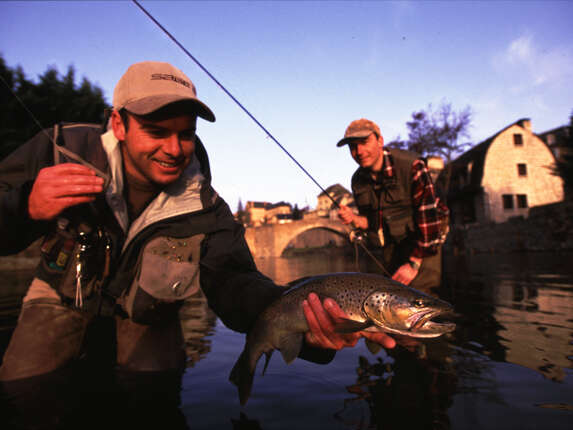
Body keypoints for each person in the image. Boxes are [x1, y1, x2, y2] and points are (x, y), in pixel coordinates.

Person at [0, 62, 394, 429]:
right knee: (24, 389)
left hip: (148, 315)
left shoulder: (205, 207)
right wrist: (24, 207)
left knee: (153, 399)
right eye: (157, 131)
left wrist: (304, 325)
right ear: (118, 124)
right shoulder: (58, 150)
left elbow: (235, 283)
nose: (174, 149)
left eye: (185, 134)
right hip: (59, 296)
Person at [336, 118, 447, 289]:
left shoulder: (413, 166)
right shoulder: (357, 181)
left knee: (421, 300)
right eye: (352, 147)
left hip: (424, 243)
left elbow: (430, 220)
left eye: (364, 142)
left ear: (380, 141)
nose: (359, 151)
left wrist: (413, 264)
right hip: (390, 248)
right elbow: (372, 223)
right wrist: (354, 219)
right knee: (392, 303)